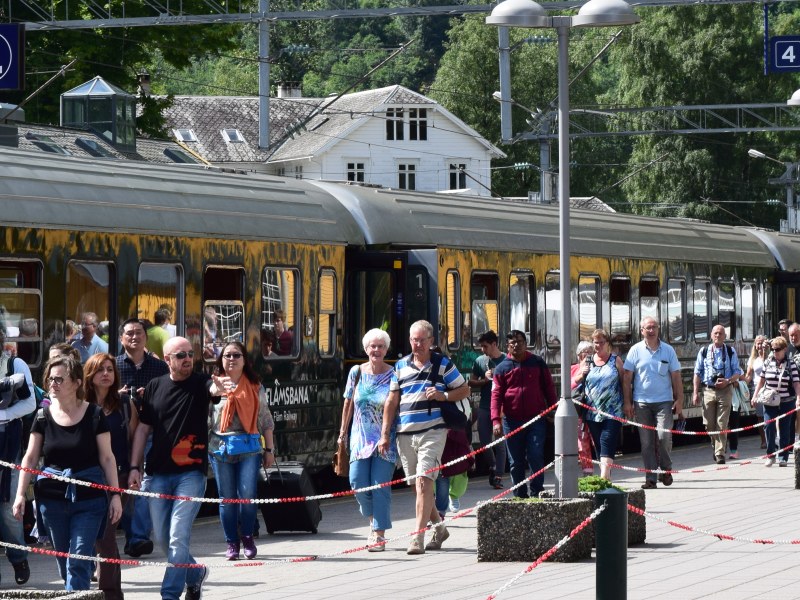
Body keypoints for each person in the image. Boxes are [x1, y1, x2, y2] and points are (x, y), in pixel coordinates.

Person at [12, 356, 122, 591]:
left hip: (89, 499)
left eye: (59, 379)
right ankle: (76, 592)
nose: (53, 384)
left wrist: (115, 496)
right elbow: (30, 458)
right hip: (52, 501)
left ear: (77, 383)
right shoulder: (43, 416)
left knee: (79, 560)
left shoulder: (94, 414)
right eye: (50, 379)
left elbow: (107, 457)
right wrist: (20, 495)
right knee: (65, 562)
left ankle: (76, 593)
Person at [129, 337, 224, 600]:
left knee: (177, 537)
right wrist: (135, 466)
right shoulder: (154, 386)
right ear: (167, 359)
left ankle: (169, 594)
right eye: (180, 355)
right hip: (157, 473)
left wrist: (220, 388)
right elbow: (143, 429)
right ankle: (195, 574)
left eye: (190, 354)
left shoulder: (201, 383)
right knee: (162, 539)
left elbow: (214, 391)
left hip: (190, 474)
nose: (187, 359)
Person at [378, 320, 469, 555]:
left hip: (433, 431)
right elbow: (391, 401)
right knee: (416, 486)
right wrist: (384, 434)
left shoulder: (442, 364)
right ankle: (439, 528)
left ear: (431, 341)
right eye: (413, 340)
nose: (416, 344)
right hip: (405, 433)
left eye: (421, 340)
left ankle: (417, 537)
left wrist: (443, 395)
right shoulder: (399, 366)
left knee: (423, 482)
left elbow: (464, 389)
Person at [209, 341, 275, 561]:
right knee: (227, 499)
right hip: (220, 448)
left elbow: (266, 420)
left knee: (246, 496)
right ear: (221, 360)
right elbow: (206, 420)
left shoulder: (255, 386)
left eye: (236, 355)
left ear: (245, 360)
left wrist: (270, 449)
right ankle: (231, 543)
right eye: (227, 355)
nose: (231, 359)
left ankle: (247, 536)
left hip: (249, 447)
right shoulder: (214, 386)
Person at [84, 353, 137, 600]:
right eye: (100, 370)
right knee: (97, 537)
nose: (106, 373)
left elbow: (135, 438)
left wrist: (136, 468)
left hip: (119, 476)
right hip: (87, 477)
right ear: (89, 375)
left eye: (110, 369)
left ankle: (110, 593)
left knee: (105, 535)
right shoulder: (79, 404)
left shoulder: (125, 403)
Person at [338, 328, 396, 552]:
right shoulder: (356, 372)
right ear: (366, 349)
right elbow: (348, 403)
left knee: (380, 485)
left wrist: (386, 434)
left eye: (381, 346)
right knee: (358, 482)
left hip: (384, 439)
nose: (377, 350)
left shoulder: (394, 374)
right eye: (373, 346)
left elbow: (394, 404)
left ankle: (379, 534)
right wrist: (342, 433)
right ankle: (373, 520)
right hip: (359, 438)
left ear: (386, 349)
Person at [116, 318, 169, 559]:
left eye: (139, 333)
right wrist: (117, 396)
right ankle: (131, 535)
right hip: (120, 434)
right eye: (129, 334)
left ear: (146, 338)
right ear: (121, 339)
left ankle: (138, 537)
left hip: (151, 433)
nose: (134, 337)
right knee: (127, 484)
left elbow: (170, 398)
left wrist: (150, 396)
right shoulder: (112, 366)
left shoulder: (159, 368)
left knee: (145, 484)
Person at [491, 330, 557, 499]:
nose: (516, 345)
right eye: (512, 342)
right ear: (507, 346)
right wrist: (496, 420)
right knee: (515, 462)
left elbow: (549, 388)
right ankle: (520, 496)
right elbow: (496, 395)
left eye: (519, 341)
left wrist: (553, 409)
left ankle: (537, 492)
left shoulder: (537, 362)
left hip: (536, 419)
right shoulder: (501, 368)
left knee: (535, 455)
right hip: (511, 421)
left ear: (525, 343)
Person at [623, 317, 683, 489]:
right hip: (642, 403)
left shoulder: (668, 350)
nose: (651, 330)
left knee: (664, 436)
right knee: (647, 442)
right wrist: (627, 402)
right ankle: (650, 477)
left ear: (658, 329)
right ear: (641, 330)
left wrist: (679, 399)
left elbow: (676, 376)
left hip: (664, 401)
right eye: (647, 328)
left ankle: (666, 469)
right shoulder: (635, 350)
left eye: (654, 327)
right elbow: (627, 378)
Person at [0, 324, 35, 586]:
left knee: (7, 510)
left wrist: (2, 415)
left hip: (7, 445)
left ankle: (18, 558)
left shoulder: (15, 364)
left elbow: (30, 402)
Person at [577, 330, 627, 481]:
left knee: (607, 440)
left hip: (613, 410)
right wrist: (582, 373)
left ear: (607, 343)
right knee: (599, 445)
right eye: (595, 342)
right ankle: (607, 477)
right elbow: (576, 381)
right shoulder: (587, 361)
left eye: (601, 342)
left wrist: (628, 403)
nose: (598, 345)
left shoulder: (615, 360)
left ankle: (604, 478)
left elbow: (624, 382)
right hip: (592, 411)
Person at [691, 325, 742, 465]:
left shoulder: (731, 351)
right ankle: (716, 445)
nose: (718, 335)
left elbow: (737, 372)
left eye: (721, 333)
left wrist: (728, 381)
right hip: (708, 390)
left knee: (722, 422)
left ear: (725, 336)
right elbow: (697, 372)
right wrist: (695, 392)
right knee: (709, 424)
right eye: (715, 333)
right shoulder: (704, 351)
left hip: (725, 390)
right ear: (711, 335)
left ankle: (720, 453)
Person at [752, 336, 800, 467]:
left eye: (777, 349)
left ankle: (783, 457)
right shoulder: (768, 362)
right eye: (773, 349)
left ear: (784, 349)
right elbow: (761, 380)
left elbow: (796, 382)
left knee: (785, 429)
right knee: (768, 426)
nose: (775, 352)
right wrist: (755, 396)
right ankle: (770, 455)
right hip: (770, 400)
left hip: (787, 400)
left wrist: (798, 398)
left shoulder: (791, 363)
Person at [469, 330, 507, 489]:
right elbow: (471, 382)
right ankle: (492, 466)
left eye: (485, 346)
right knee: (485, 442)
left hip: (502, 408)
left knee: (500, 443)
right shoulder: (479, 361)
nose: (482, 350)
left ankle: (498, 475)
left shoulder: (506, 360)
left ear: (494, 344)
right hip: (485, 406)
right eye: (481, 347)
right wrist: (484, 380)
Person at [569, 340, 595, 475]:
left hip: (595, 408)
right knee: (582, 442)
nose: (590, 355)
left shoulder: (597, 366)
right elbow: (568, 387)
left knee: (597, 440)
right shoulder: (573, 368)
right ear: (579, 355)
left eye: (592, 352)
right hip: (579, 410)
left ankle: (605, 472)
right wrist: (581, 374)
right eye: (587, 352)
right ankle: (587, 471)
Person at [744, 335, 768, 449]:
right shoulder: (753, 359)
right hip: (757, 390)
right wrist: (740, 383)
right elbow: (748, 376)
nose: (759, 345)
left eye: (762, 343)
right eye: (757, 343)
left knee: (770, 415)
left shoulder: (771, 357)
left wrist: (765, 353)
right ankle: (763, 440)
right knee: (760, 417)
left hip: (769, 389)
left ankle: (772, 438)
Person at [788, 324, 800, 449]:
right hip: (790, 389)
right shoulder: (787, 349)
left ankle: (797, 437)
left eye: (796, 335)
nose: (793, 338)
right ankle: (790, 443)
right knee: (790, 416)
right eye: (791, 335)